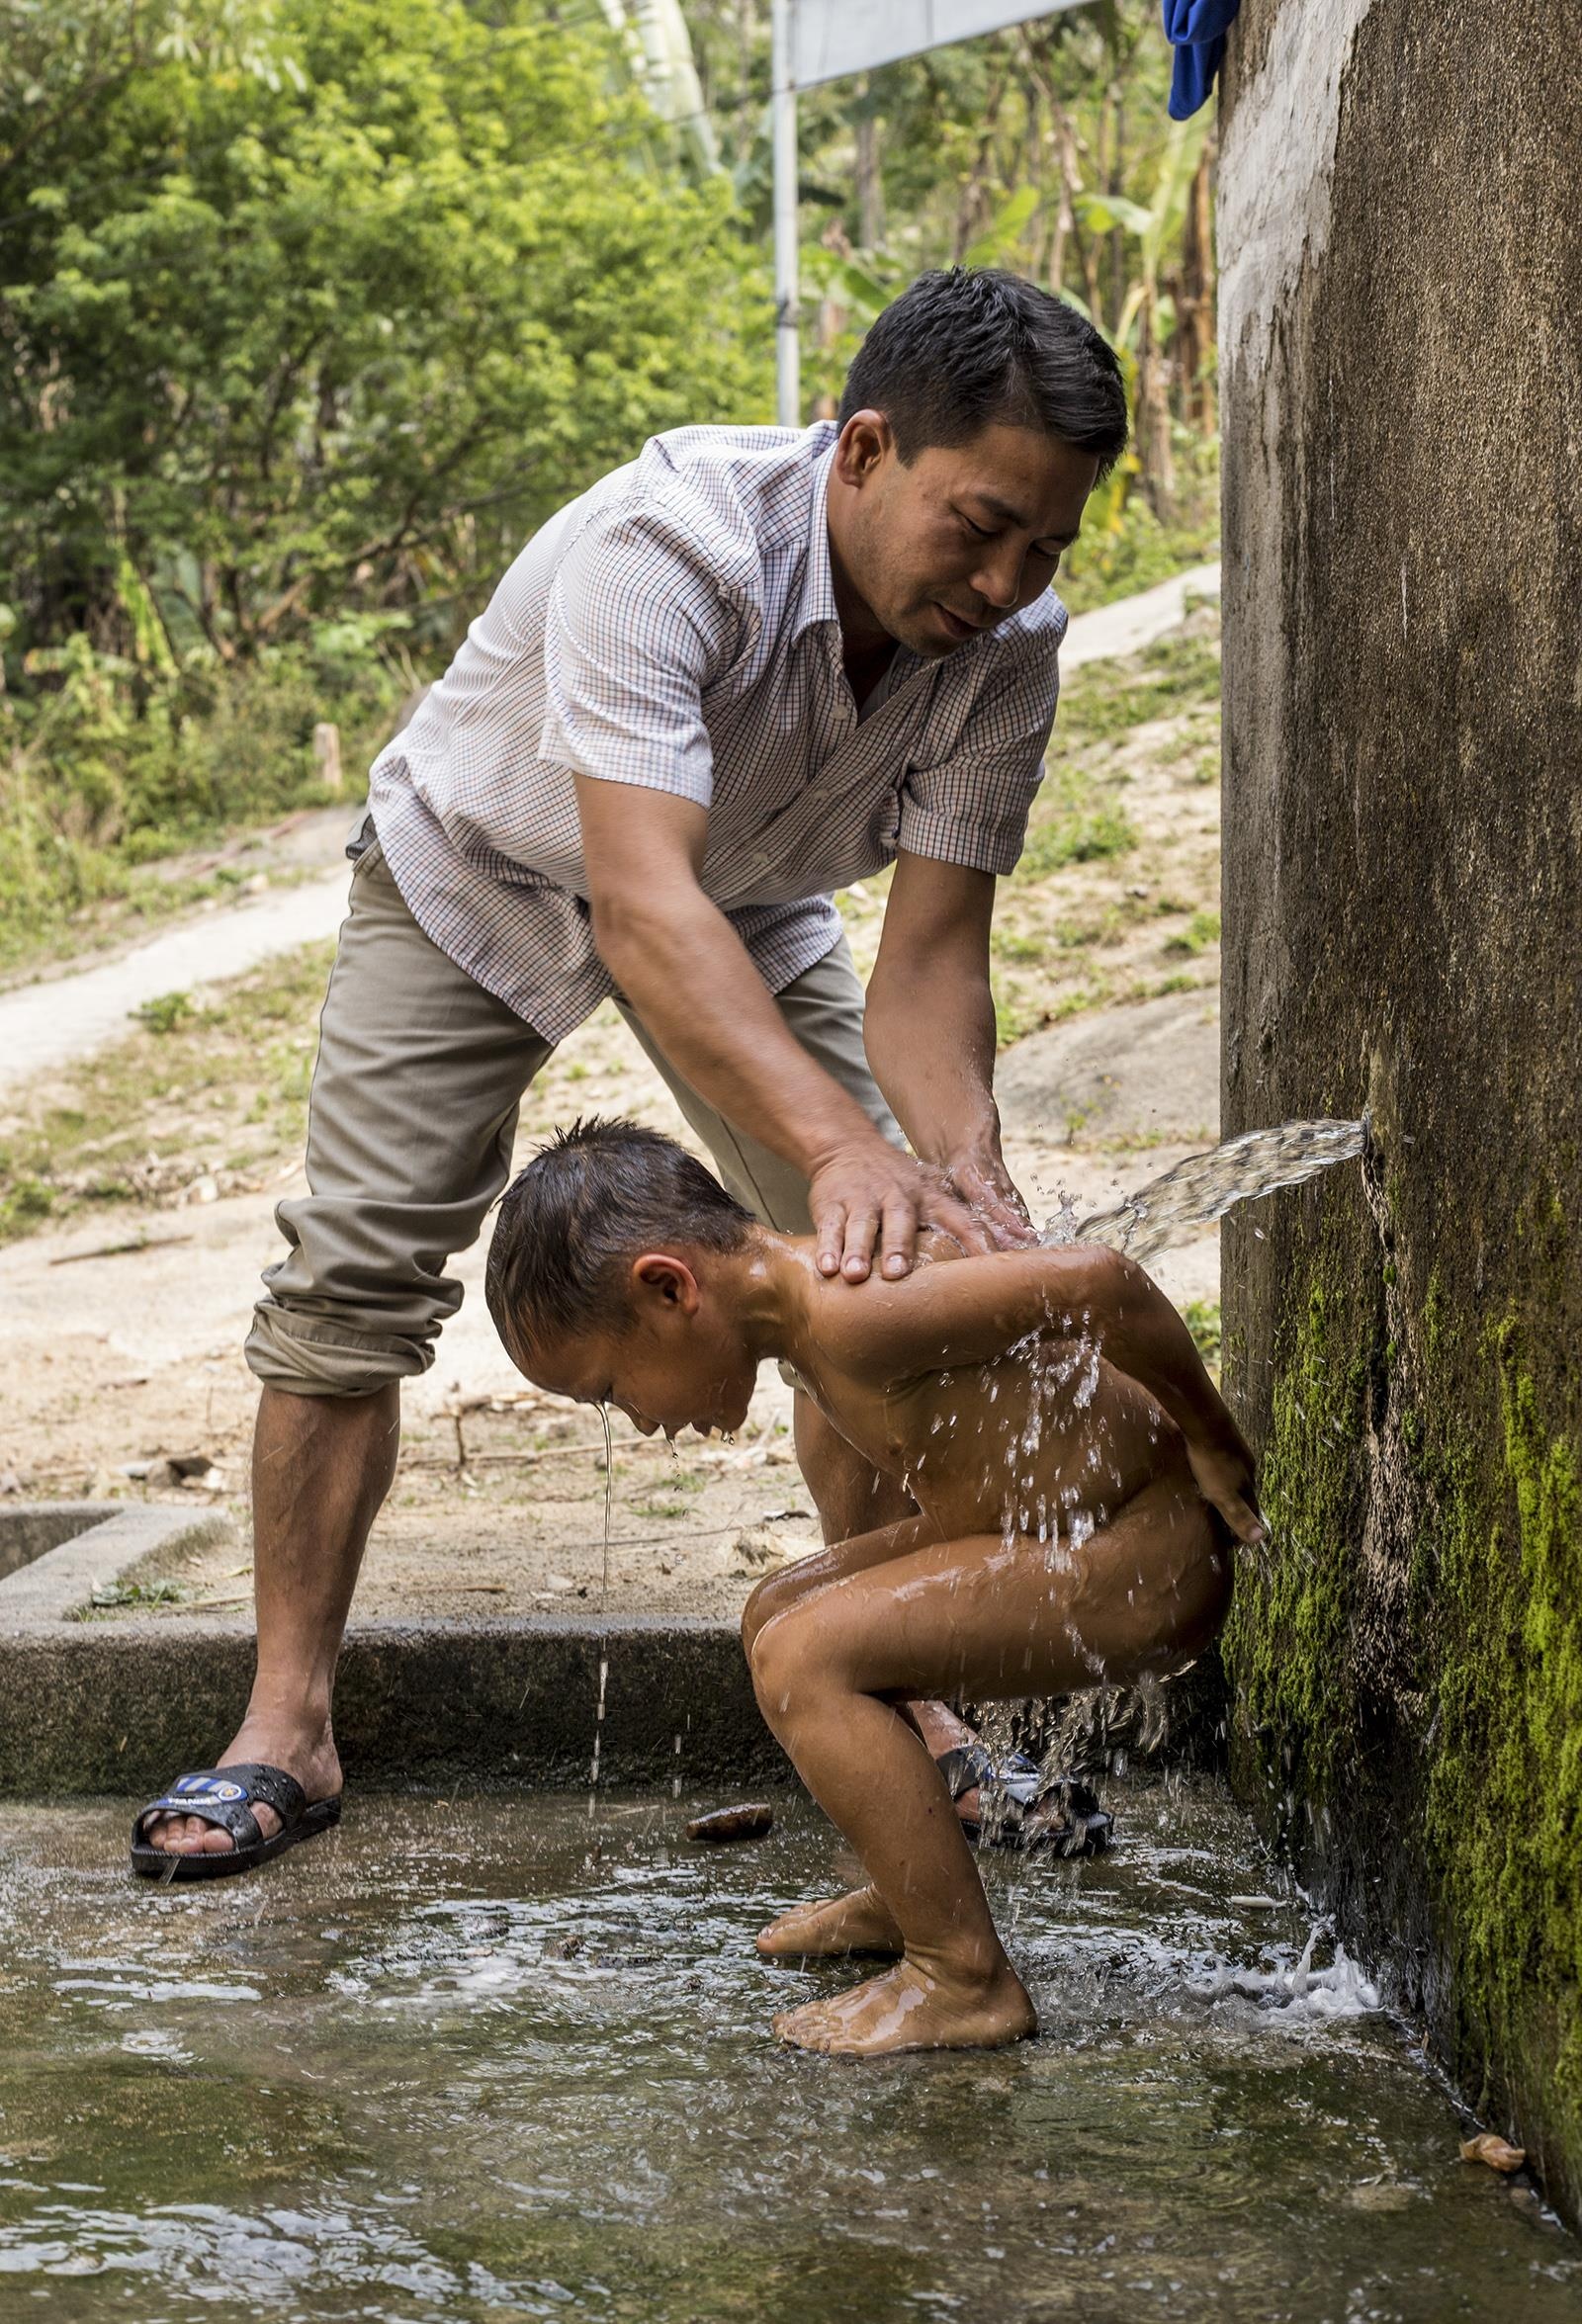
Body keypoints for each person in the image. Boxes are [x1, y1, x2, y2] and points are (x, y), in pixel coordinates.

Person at [132, 267, 1129, 1876]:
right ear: (862, 450)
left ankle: (910, 1701)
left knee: (882, 1269)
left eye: (1049, 546)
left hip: (740, 901)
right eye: (981, 524)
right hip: (479, 871)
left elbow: (934, 963)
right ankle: (285, 1731)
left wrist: (956, 1169)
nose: (1008, 579)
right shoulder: (665, 551)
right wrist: (844, 1148)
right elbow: (637, 903)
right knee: (353, 1278)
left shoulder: (1010, 645)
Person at [483, 1119, 1263, 2057]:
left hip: (1141, 1554)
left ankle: (962, 1975)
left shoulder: (852, 1312)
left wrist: (1216, 1444)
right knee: (776, 1611)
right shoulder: (814, 1327)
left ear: (668, 1285)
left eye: (613, 1390)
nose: (645, 1425)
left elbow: (1102, 1280)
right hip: (1057, 1530)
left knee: (809, 1654)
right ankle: (911, 1893)